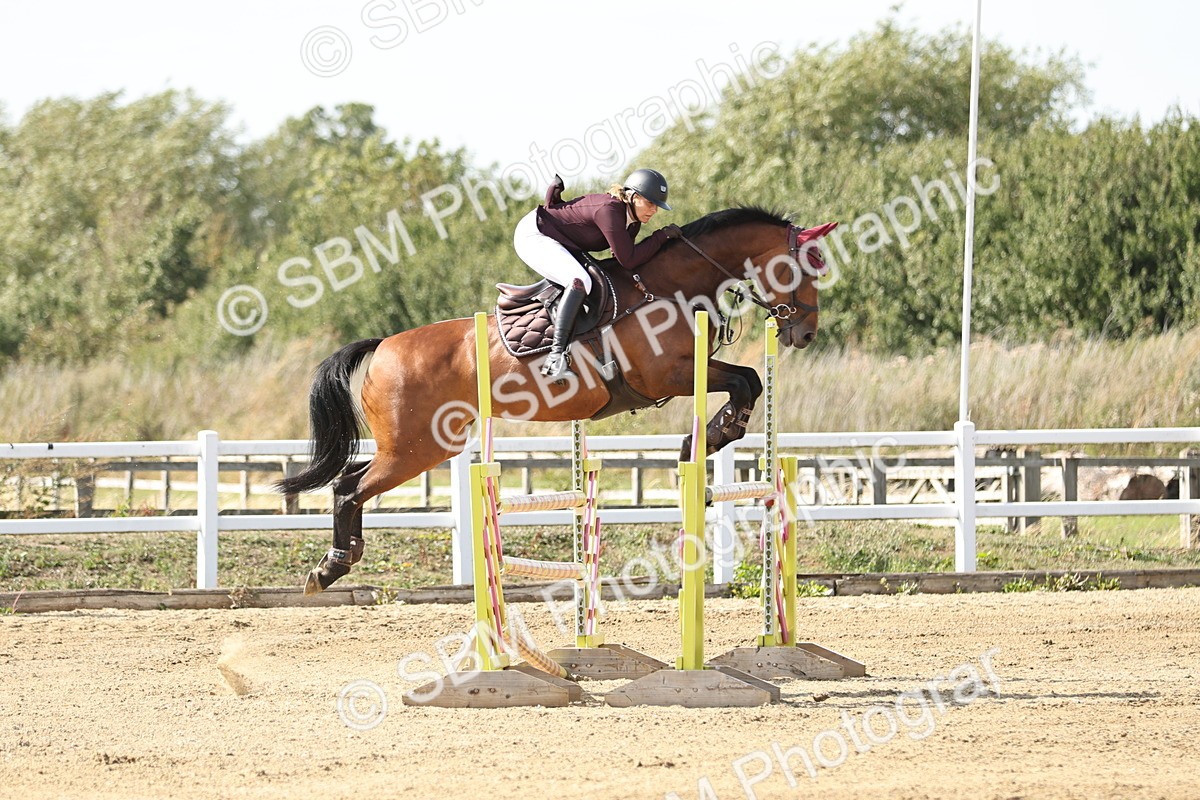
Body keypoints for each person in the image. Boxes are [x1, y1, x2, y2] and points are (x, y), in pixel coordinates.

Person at [513, 168, 683, 379]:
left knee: (599, 280)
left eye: (657, 206)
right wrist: (660, 237)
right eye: (650, 203)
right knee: (580, 280)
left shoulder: (632, 222)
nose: (654, 211)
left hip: (562, 241)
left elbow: (625, 263)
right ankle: (555, 358)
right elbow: (628, 259)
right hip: (534, 235)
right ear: (633, 197)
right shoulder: (610, 210)